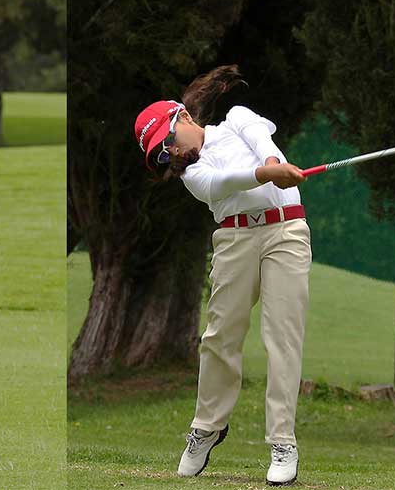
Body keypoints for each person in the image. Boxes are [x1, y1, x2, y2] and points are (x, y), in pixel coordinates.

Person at [133, 65, 310, 486]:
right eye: (162, 155)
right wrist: (266, 173)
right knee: (220, 337)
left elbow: (261, 139)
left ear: (185, 118)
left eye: (168, 142)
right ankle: (207, 427)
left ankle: (283, 441)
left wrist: (271, 162)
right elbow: (221, 184)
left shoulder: (237, 119)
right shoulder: (191, 173)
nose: (171, 155)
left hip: (286, 229)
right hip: (234, 241)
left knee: (282, 337)